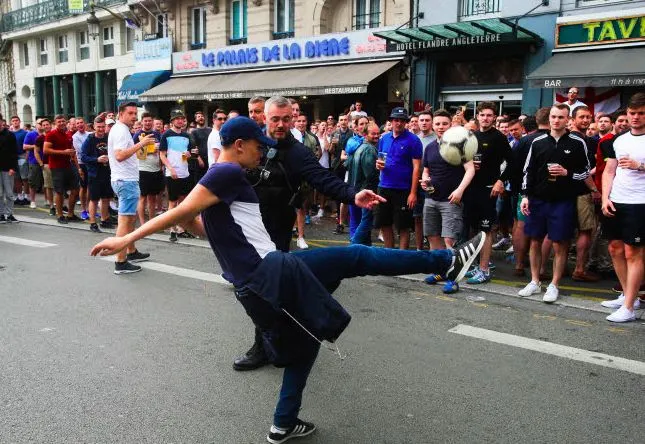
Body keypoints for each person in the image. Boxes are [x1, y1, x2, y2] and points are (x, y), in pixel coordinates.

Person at [90, 116, 487, 444]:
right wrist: (126, 237)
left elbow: (199, 225)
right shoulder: (228, 170)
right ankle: (447, 260)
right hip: (272, 271)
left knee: (305, 344)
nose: (263, 150)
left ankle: (283, 424)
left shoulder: (218, 175)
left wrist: (170, 227)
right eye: (258, 144)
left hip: (253, 289)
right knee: (355, 256)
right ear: (240, 144)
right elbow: (180, 213)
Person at [236, 96, 382, 372]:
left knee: (269, 290)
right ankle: (269, 343)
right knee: (253, 291)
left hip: (278, 229)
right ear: (264, 118)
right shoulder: (251, 144)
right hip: (249, 229)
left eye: (285, 119)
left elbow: (323, 179)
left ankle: (269, 345)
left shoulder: (298, 152)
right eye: (274, 119)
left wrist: (353, 195)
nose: (280, 125)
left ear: (293, 118)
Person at [519, 103, 591, 303]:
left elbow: (586, 172)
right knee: (534, 240)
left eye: (560, 117)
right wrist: (525, 195)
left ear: (568, 120)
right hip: (538, 199)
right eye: (553, 116)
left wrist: (568, 173)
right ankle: (534, 281)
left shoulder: (577, 143)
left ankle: (554, 284)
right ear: (548, 118)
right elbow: (528, 171)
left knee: (560, 243)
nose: (556, 120)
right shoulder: (538, 142)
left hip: (563, 200)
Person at [600, 93, 645, 322]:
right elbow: (609, 171)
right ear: (626, 114)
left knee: (633, 252)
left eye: (641, 113)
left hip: (640, 203)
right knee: (615, 249)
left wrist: (641, 166)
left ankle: (629, 307)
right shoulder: (619, 140)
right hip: (617, 199)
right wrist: (605, 198)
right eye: (632, 113)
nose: (635, 117)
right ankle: (629, 295)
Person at [421, 109, 475, 294]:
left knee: (449, 240)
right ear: (433, 125)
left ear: (451, 124)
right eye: (437, 124)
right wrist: (424, 181)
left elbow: (470, 170)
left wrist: (460, 191)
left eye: (444, 123)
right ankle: (441, 273)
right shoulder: (429, 147)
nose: (440, 127)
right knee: (433, 237)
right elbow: (426, 171)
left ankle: (454, 279)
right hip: (431, 199)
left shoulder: (459, 146)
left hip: (451, 201)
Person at [464, 102, 512, 284]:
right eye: (482, 115)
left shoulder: (499, 137)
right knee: (474, 229)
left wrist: (500, 181)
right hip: (471, 189)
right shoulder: (472, 136)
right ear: (478, 116)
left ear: (494, 118)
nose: (485, 118)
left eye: (489, 115)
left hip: (488, 190)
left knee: (486, 230)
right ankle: (477, 266)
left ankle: (484, 270)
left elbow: (512, 163)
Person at [107, 102, 155, 274]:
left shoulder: (122, 129)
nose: (134, 116)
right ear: (120, 114)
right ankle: (120, 262)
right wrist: (141, 144)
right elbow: (119, 155)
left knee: (130, 218)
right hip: (125, 181)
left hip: (126, 180)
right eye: (130, 113)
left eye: (135, 113)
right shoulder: (120, 130)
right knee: (125, 221)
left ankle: (131, 251)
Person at [374, 107, 423, 250]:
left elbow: (416, 168)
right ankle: (390, 254)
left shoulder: (413, 140)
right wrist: (378, 166)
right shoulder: (384, 138)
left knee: (403, 226)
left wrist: (413, 193)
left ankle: (402, 258)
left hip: (403, 190)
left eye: (402, 121)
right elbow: (380, 159)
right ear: (391, 121)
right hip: (384, 187)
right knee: (384, 223)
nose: (399, 123)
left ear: (406, 122)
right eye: (396, 120)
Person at [569, 106, 601, 282]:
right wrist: (594, 189)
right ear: (573, 119)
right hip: (581, 191)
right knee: (585, 230)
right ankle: (580, 269)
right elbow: (584, 170)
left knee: (564, 233)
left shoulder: (584, 140)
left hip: (568, 191)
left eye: (588, 117)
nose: (586, 120)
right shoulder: (580, 141)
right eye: (581, 117)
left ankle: (549, 270)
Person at [160, 109, 194, 242]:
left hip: (184, 172)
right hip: (172, 173)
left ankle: (181, 228)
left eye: (182, 118)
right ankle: (172, 230)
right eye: (177, 118)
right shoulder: (166, 135)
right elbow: (162, 154)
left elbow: (185, 154)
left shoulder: (186, 136)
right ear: (172, 121)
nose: (180, 120)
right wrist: (170, 168)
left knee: (183, 203)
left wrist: (188, 156)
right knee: (172, 203)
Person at [43, 115, 82, 224]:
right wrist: (63, 152)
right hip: (56, 167)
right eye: (59, 121)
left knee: (75, 190)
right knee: (59, 192)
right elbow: (46, 150)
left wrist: (78, 168)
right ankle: (60, 215)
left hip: (69, 166)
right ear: (55, 123)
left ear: (66, 122)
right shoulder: (51, 134)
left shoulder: (67, 135)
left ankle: (70, 214)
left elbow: (72, 152)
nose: (61, 123)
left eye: (63, 121)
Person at [348, 123, 380, 245]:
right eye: (373, 133)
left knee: (364, 220)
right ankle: (354, 246)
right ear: (366, 135)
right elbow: (370, 174)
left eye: (378, 133)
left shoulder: (361, 147)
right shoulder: (369, 149)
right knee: (366, 221)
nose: (376, 136)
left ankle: (366, 248)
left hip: (359, 189)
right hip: (367, 191)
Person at [81, 117, 113, 233]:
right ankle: (93, 222)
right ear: (94, 127)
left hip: (107, 172)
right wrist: (97, 159)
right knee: (94, 199)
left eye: (102, 127)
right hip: (94, 173)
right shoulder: (90, 139)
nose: (101, 129)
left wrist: (110, 158)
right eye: (98, 127)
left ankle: (104, 219)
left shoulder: (108, 137)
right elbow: (83, 157)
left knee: (106, 198)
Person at [134, 113, 163, 226]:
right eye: (145, 121)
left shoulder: (157, 134)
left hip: (155, 169)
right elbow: (135, 153)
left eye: (149, 121)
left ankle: (151, 223)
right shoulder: (137, 135)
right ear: (142, 122)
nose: (148, 123)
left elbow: (162, 151)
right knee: (142, 197)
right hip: (143, 169)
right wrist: (151, 150)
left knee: (153, 198)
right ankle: (142, 223)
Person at [329, 113, 352, 234]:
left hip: (347, 166)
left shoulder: (351, 133)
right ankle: (340, 219)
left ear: (348, 121)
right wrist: (333, 144)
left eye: (345, 120)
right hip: (337, 166)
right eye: (341, 120)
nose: (343, 122)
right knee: (338, 192)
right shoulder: (334, 133)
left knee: (347, 190)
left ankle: (346, 219)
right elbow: (330, 152)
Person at [0, 114, 18, 223]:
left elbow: (14, 152)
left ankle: (10, 214)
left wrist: (13, 167)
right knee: (0, 194)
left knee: (9, 193)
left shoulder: (10, 135)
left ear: (2, 121)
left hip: (8, 168)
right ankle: (1, 214)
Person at [72, 117, 90, 220]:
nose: (79, 124)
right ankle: (83, 210)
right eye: (77, 123)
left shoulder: (89, 135)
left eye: (81, 122)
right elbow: (82, 150)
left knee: (90, 187)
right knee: (83, 188)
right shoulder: (75, 137)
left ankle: (89, 209)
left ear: (85, 123)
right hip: (82, 163)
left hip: (91, 163)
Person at [9, 116, 29, 206]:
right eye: (13, 121)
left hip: (22, 156)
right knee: (16, 178)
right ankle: (20, 196)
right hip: (13, 157)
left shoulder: (25, 133)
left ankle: (26, 196)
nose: (15, 122)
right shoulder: (10, 133)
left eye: (16, 120)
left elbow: (27, 146)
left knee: (24, 178)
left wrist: (26, 157)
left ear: (19, 121)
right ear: (11, 123)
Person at [23, 119, 42, 208]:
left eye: (43, 123)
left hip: (46, 161)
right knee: (33, 182)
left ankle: (48, 200)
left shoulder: (48, 134)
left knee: (47, 183)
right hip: (34, 161)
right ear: (36, 124)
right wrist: (36, 146)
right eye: (40, 123)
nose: (42, 125)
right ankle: (33, 201)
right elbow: (25, 146)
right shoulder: (30, 134)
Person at [189, 111, 211, 186]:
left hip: (209, 159)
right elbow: (193, 147)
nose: (201, 117)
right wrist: (199, 159)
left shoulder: (210, 130)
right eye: (198, 116)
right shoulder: (193, 132)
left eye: (202, 116)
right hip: (199, 161)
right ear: (196, 120)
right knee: (200, 182)